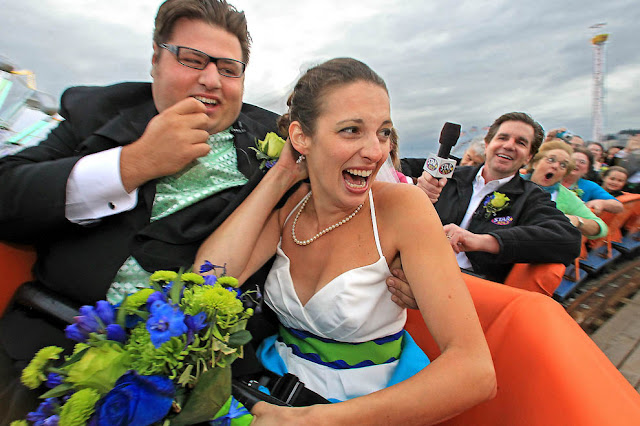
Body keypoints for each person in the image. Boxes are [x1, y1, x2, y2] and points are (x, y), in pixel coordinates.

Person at [0, 1, 409, 422]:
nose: (211, 79)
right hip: (49, 357)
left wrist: (401, 266)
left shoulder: (280, 138)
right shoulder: (99, 113)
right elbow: (7, 194)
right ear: (156, 60)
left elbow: (360, 175)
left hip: (204, 382)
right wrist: (133, 163)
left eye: (229, 69)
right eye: (192, 60)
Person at [195, 58, 496, 424]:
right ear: (301, 137)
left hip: (363, 409)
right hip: (266, 393)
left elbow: (476, 373)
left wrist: (313, 421)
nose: (375, 151)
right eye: (352, 130)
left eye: (383, 132)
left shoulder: (402, 208)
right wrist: (280, 176)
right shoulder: (290, 206)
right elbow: (208, 277)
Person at [415, 112, 582, 283]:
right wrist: (417, 195)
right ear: (487, 144)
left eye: (521, 142)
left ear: (529, 157)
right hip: (414, 267)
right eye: (503, 138)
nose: (509, 146)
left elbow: (569, 240)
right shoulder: (449, 177)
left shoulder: (531, 197)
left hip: (469, 285)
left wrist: (484, 241)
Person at [525, 140, 607, 239]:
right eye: (551, 160)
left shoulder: (566, 196)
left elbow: (601, 228)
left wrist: (577, 221)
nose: (555, 166)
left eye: (563, 165)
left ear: (564, 174)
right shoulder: (512, 180)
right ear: (536, 163)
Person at [561, 146, 623, 215]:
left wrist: (602, 203)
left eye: (582, 162)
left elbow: (618, 206)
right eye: (573, 160)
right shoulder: (551, 179)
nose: (576, 164)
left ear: (587, 169)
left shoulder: (589, 186)